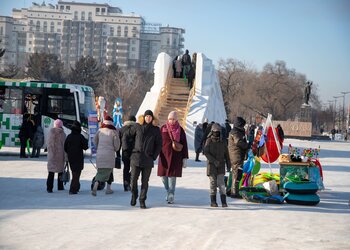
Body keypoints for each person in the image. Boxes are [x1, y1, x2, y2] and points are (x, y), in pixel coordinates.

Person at [130, 110, 162, 209]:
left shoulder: (155, 130)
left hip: (148, 159)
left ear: (152, 118)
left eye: (150, 117)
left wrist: (154, 156)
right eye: (146, 116)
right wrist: (130, 150)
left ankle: (142, 200)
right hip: (136, 157)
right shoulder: (137, 127)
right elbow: (129, 137)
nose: (148, 118)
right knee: (133, 180)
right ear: (143, 117)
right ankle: (134, 195)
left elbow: (159, 144)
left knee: (145, 181)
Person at [158, 111, 188, 204]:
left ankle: (171, 194)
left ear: (176, 119)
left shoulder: (180, 130)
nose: (171, 121)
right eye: (170, 119)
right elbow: (158, 141)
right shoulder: (163, 128)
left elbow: (184, 144)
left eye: (173, 119)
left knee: (172, 177)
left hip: (176, 157)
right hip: (164, 156)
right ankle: (168, 191)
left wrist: (184, 158)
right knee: (163, 177)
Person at [92, 115, 120, 196]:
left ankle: (96, 183)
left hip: (100, 154)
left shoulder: (99, 131)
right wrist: (115, 149)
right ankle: (108, 188)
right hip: (109, 154)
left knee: (100, 170)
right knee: (109, 171)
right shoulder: (113, 132)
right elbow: (117, 145)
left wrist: (99, 147)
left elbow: (94, 141)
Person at [204, 123, 230, 207]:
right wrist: (214, 161)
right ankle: (213, 201)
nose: (216, 133)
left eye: (218, 131)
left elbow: (226, 154)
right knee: (213, 183)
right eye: (215, 131)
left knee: (221, 184)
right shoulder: (209, 141)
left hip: (221, 165)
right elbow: (206, 152)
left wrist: (228, 165)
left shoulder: (223, 141)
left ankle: (223, 201)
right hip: (211, 166)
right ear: (212, 132)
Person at [64, 121, 89, 195]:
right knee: (77, 173)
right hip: (79, 157)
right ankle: (73, 189)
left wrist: (69, 152)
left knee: (74, 173)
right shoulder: (80, 136)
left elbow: (65, 147)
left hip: (71, 157)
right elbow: (86, 147)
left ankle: (77, 186)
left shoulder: (69, 136)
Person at [228, 116, 249, 198]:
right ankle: (234, 192)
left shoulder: (237, 131)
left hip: (237, 155)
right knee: (237, 174)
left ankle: (233, 190)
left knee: (236, 173)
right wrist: (247, 146)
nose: (243, 127)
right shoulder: (235, 132)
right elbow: (238, 142)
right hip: (236, 155)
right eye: (242, 125)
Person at [46, 119, 66, 193]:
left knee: (51, 172)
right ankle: (60, 186)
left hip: (51, 155)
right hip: (60, 155)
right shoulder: (62, 134)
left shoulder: (50, 133)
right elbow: (65, 145)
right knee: (60, 171)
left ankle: (49, 188)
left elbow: (48, 143)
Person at [120, 115, 137, 192]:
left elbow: (119, 142)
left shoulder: (122, 129)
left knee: (126, 168)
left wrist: (117, 152)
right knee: (134, 168)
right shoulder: (136, 129)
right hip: (134, 152)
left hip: (125, 151)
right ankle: (130, 180)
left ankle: (125, 183)